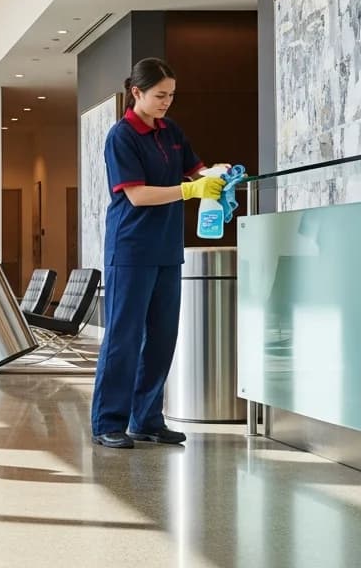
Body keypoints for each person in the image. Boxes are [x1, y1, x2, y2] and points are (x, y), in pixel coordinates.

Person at [91, 57, 224, 449]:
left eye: (171, 95)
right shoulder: (121, 136)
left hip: (167, 247)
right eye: (160, 95)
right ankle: (107, 422)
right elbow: (137, 194)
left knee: (162, 336)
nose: (167, 102)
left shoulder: (171, 132)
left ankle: (147, 418)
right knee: (124, 336)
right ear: (137, 92)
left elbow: (195, 171)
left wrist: (216, 174)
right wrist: (188, 191)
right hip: (131, 248)